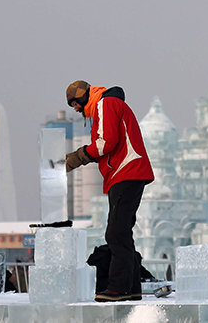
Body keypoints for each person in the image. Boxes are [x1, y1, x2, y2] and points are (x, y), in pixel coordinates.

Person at [65, 80, 154, 302]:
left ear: (85, 96)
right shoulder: (105, 107)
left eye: (75, 103)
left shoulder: (106, 103)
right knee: (121, 231)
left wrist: (78, 157)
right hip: (126, 174)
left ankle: (118, 289)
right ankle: (131, 288)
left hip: (127, 172)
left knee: (116, 233)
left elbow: (107, 143)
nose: (75, 109)